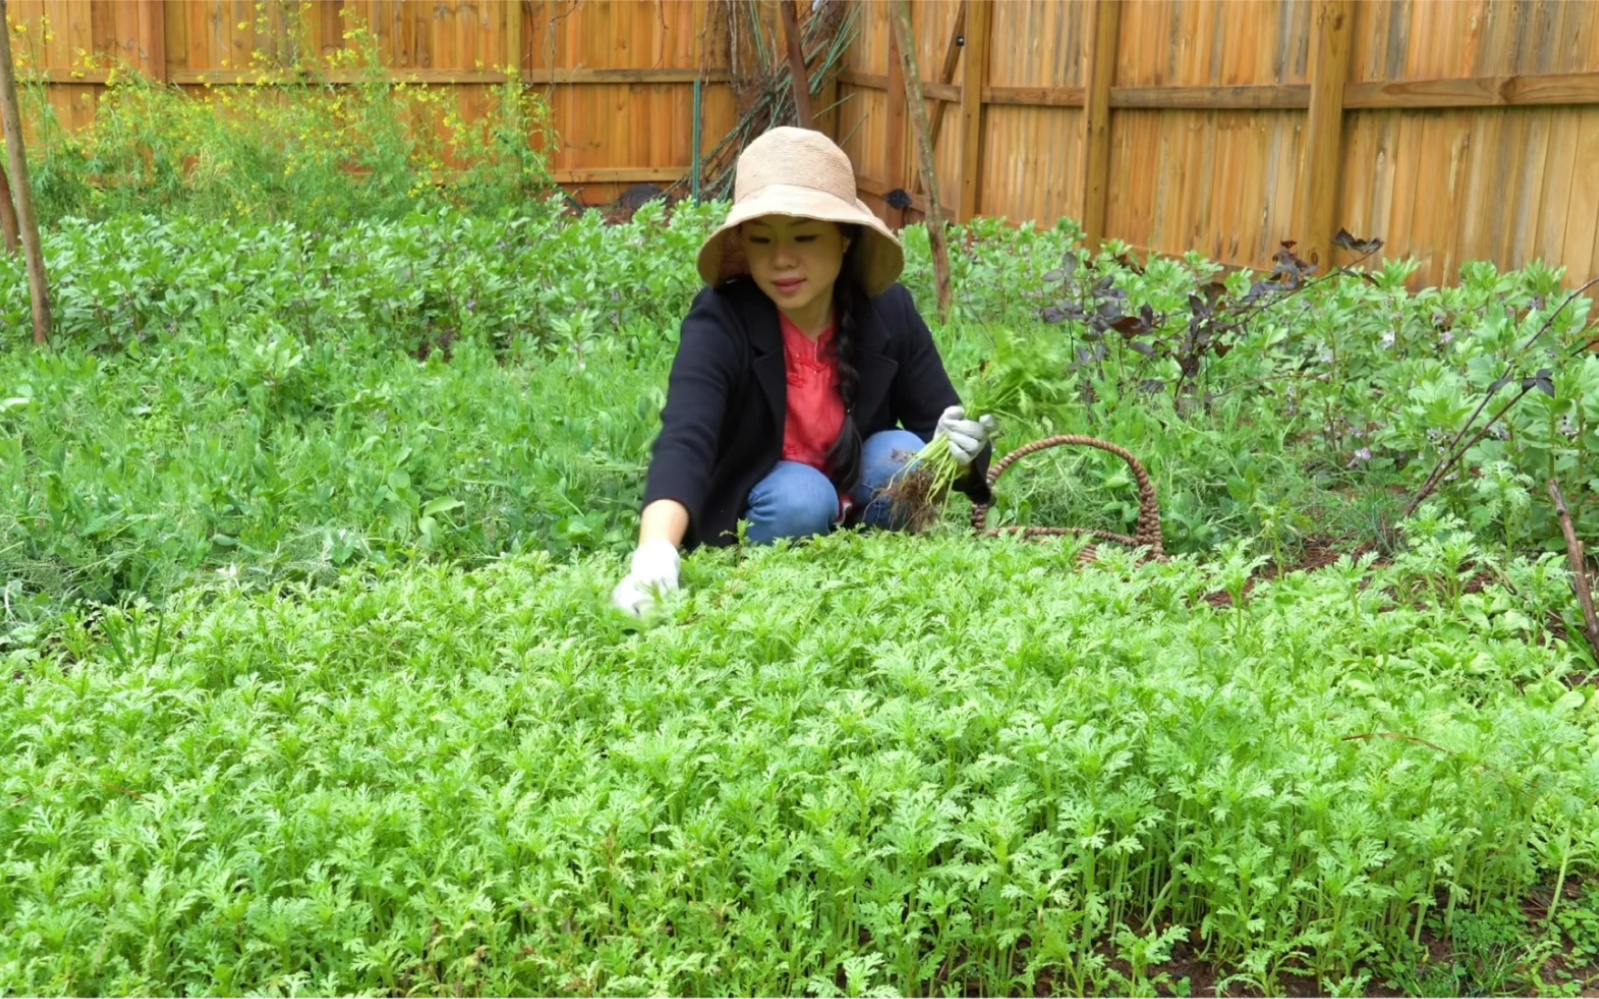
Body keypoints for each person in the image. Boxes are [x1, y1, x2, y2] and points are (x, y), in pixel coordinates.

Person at [610, 126, 998, 616]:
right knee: (801, 498)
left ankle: (878, 575)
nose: (781, 260)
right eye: (762, 240)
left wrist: (959, 455)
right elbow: (686, 439)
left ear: (845, 240)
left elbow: (941, 422)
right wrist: (654, 553)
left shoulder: (888, 312)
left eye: (805, 236)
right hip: (773, 504)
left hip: (858, 490)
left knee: (903, 456)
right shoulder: (721, 318)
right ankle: (772, 590)